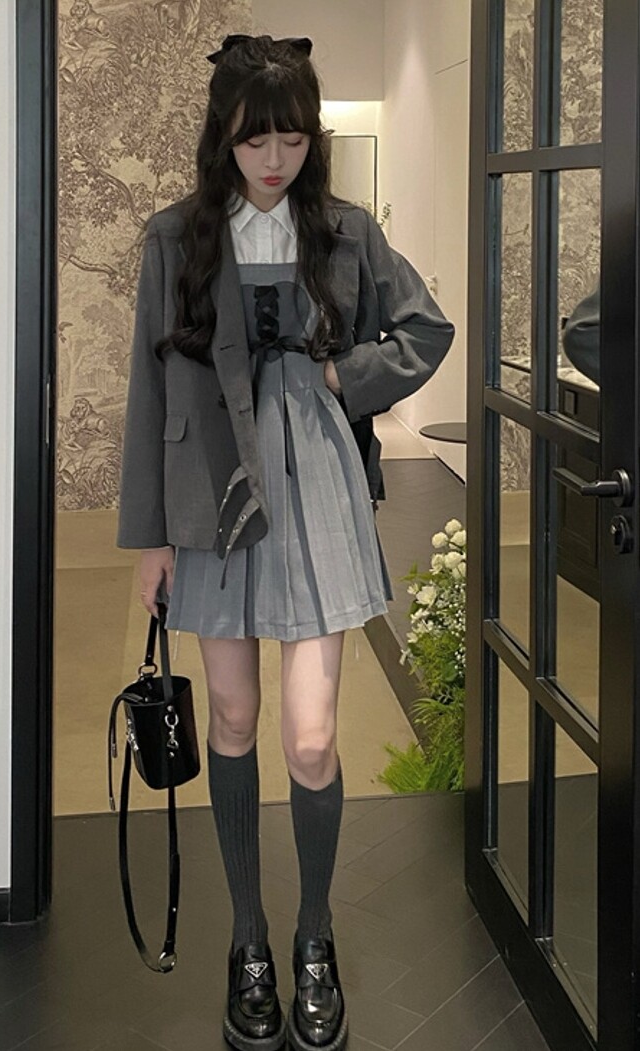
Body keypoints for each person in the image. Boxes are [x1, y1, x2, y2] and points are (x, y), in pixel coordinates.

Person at [117, 34, 454, 1051]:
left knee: (309, 737)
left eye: (294, 138)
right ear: (222, 135)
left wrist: (344, 376)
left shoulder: (346, 231)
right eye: (255, 138)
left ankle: (313, 934)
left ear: (313, 137)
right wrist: (147, 538)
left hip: (315, 490)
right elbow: (147, 391)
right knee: (232, 717)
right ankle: (248, 941)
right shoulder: (175, 237)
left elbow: (424, 329)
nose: (274, 159)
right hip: (207, 495)